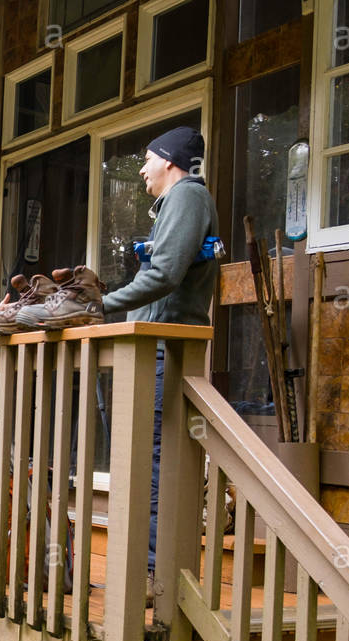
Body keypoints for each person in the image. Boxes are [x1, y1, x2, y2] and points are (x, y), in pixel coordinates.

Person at [100, 126, 219, 602]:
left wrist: (102, 304)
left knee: (151, 462)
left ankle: (151, 574)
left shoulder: (187, 197)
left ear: (170, 161)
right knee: (145, 458)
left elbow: (167, 274)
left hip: (163, 349)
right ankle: (147, 569)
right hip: (152, 349)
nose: (142, 169)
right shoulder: (176, 202)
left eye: (147, 160)